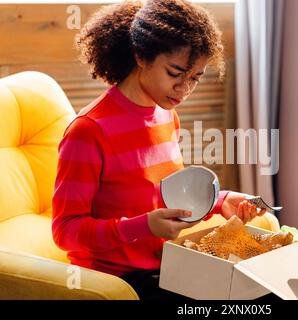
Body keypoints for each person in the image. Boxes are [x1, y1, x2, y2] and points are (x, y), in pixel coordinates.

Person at [52, 0, 265, 301]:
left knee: (265, 288)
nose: (184, 89)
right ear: (141, 56)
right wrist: (143, 226)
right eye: (175, 72)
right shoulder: (88, 131)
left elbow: (163, 198)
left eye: (194, 77)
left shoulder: (166, 114)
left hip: (169, 265)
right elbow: (66, 232)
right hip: (119, 281)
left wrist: (222, 202)